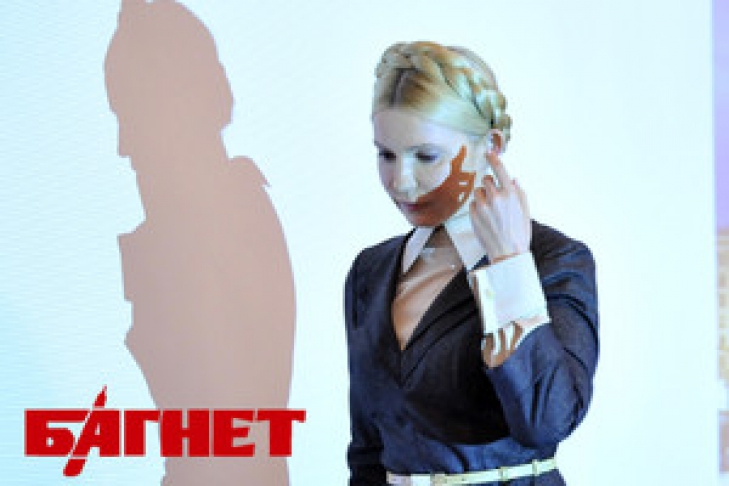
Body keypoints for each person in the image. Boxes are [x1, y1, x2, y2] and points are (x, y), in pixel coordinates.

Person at [344, 41, 598, 485]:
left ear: (492, 146)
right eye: (386, 154)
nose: (400, 180)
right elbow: (368, 451)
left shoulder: (553, 260)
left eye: (426, 156)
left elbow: (546, 421)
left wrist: (509, 263)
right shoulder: (370, 271)